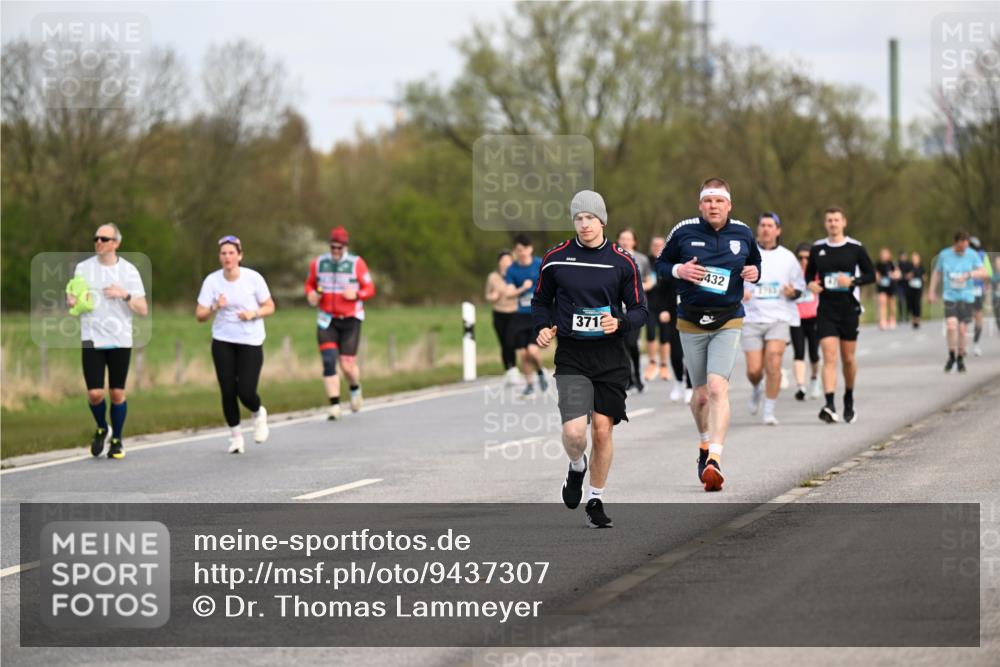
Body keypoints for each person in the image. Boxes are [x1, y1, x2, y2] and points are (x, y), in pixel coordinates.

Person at [533, 190, 647, 528]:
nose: (584, 225)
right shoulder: (555, 258)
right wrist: (541, 327)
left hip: (610, 356)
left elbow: (641, 310)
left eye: (590, 218)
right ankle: (576, 466)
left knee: (602, 430)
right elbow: (539, 301)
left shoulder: (623, 261)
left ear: (602, 221)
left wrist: (621, 322)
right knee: (574, 435)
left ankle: (595, 499)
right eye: (579, 219)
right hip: (572, 354)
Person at [656, 178, 761, 492]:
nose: (713, 206)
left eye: (719, 201)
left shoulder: (742, 232)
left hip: (728, 319)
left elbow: (755, 262)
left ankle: (715, 459)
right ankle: (704, 445)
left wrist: (755, 273)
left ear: (729, 204)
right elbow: (661, 264)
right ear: (700, 205)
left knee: (717, 389)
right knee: (699, 396)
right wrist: (679, 271)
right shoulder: (684, 231)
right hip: (690, 321)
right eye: (708, 201)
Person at [67, 223, 149, 460]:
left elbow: (142, 309)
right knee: (94, 393)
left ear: (116, 243)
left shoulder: (129, 271)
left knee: (116, 393)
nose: (99, 242)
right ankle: (102, 427)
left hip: (120, 339)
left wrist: (124, 294)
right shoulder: (83, 268)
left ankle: (117, 440)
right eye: (96, 239)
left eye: (104, 239)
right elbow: (74, 292)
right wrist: (72, 300)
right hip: (92, 337)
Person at [196, 235, 275, 454]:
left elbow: (270, 306)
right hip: (223, 340)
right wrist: (214, 306)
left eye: (231, 253)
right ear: (219, 257)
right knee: (228, 390)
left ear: (240, 255)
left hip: (250, 339)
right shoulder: (212, 281)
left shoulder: (253, 279)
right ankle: (236, 436)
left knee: (246, 392)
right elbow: (200, 315)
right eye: (223, 253)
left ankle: (258, 412)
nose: (227, 257)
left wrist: (253, 313)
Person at [804, 207, 876, 424]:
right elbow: (809, 275)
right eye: (829, 220)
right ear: (825, 224)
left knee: (848, 359)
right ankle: (829, 404)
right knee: (829, 356)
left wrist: (853, 281)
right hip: (826, 310)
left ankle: (849, 398)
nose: (833, 223)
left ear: (844, 222)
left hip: (848, 310)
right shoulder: (818, 249)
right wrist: (811, 285)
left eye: (836, 220)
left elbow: (871, 274)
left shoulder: (855, 248)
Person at [305, 226, 376, 420]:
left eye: (339, 248)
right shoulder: (319, 263)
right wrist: (311, 294)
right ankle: (335, 406)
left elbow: (370, 289)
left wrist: (357, 294)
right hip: (327, 319)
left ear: (345, 247)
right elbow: (310, 283)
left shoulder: (356, 264)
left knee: (346, 365)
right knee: (328, 361)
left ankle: (355, 388)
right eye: (333, 247)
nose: (335, 251)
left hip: (351, 319)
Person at [742, 213, 805, 425]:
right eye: (762, 225)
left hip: (779, 317)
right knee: (753, 370)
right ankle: (756, 387)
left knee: (774, 362)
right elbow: (731, 282)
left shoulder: (788, 257)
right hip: (750, 317)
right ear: (757, 229)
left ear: (778, 230)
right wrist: (740, 293)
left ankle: (769, 410)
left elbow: (800, 288)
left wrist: (792, 292)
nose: (766, 229)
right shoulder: (746, 254)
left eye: (770, 226)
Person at [928, 231, 988, 373]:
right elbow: (936, 273)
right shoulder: (944, 255)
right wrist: (931, 291)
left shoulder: (972, 254)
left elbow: (984, 273)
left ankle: (960, 358)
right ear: (956, 243)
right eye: (962, 248)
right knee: (951, 325)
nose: (964, 250)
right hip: (950, 296)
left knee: (962, 329)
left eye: (966, 247)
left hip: (967, 296)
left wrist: (969, 275)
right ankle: (951, 356)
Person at [506, 234, 548, 396]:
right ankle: (530, 385)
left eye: (524, 249)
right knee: (523, 354)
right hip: (521, 315)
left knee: (532, 351)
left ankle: (540, 371)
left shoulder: (540, 265)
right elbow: (509, 294)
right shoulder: (512, 270)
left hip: (538, 314)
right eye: (518, 250)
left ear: (530, 249)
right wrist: (522, 288)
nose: (522, 253)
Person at [616, 228, 654, 392]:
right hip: (617, 308)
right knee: (620, 345)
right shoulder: (612, 258)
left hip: (635, 308)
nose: (625, 242)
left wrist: (640, 287)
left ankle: (637, 375)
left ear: (634, 242)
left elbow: (649, 279)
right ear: (618, 240)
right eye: (622, 239)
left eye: (628, 239)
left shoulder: (642, 259)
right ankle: (628, 379)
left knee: (631, 343)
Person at [790, 242, 821, 401]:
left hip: (814, 318)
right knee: (799, 353)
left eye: (807, 258)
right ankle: (801, 386)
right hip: (797, 319)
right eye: (800, 257)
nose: (803, 261)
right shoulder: (792, 275)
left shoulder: (817, 274)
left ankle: (815, 379)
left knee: (814, 354)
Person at [485, 250, 519, 385]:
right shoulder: (492, 277)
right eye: (503, 261)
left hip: (514, 312)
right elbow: (488, 295)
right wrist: (492, 297)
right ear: (499, 263)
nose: (505, 263)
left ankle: (514, 369)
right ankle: (508, 370)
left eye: (508, 261)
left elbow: (524, 292)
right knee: (503, 344)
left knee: (510, 341)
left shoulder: (516, 275)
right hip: (499, 313)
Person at [643, 235, 672, 383]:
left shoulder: (669, 261)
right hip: (649, 305)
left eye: (660, 245)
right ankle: (652, 363)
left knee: (665, 337)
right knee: (650, 333)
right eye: (654, 245)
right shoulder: (646, 261)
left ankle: (664, 365)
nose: (657, 247)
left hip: (665, 306)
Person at [968, 236, 993, 356]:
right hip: (965, 290)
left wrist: (985, 283)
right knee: (966, 317)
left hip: (978, 290)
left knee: (978, 317)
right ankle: (965, 343)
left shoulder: (983, 255)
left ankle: (976, 343)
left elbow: (988, 274)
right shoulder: (963, 255)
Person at [874, 247, 900, 330]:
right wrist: (877, 277)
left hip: (891, 286)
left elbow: (898, 273)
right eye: (882, 254)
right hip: (882, 286)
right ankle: (883, 320)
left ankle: (892, 318)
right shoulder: (878, 264)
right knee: (882, 302)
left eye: (886, 254)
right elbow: (875, 274)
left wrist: (894, 274)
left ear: (889, 255)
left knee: (891, 304)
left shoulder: (892, 263)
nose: (884, 256)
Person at [904, 251, 926, 329]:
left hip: (918, 288)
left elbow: (924, 277)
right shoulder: (909, 266)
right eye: (913, 258)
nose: (914, 259)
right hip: (910, 288)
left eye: (916, 258)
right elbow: (905, 276)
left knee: (917, 303)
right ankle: (913, 318)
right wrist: (909, 275)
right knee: (911, 303)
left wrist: (923, 279)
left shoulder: (921, 267)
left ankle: (917, 319)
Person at [896, 250, 912, 323]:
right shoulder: (897, 264)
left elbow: (912, 273)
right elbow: (896, 273)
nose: (903, 258)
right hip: (900, 285)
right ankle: (900, 316)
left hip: (908, 285)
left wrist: (908, 275)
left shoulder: (909, 264)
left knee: (908, 300)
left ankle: (907, 315)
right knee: (900, 300)